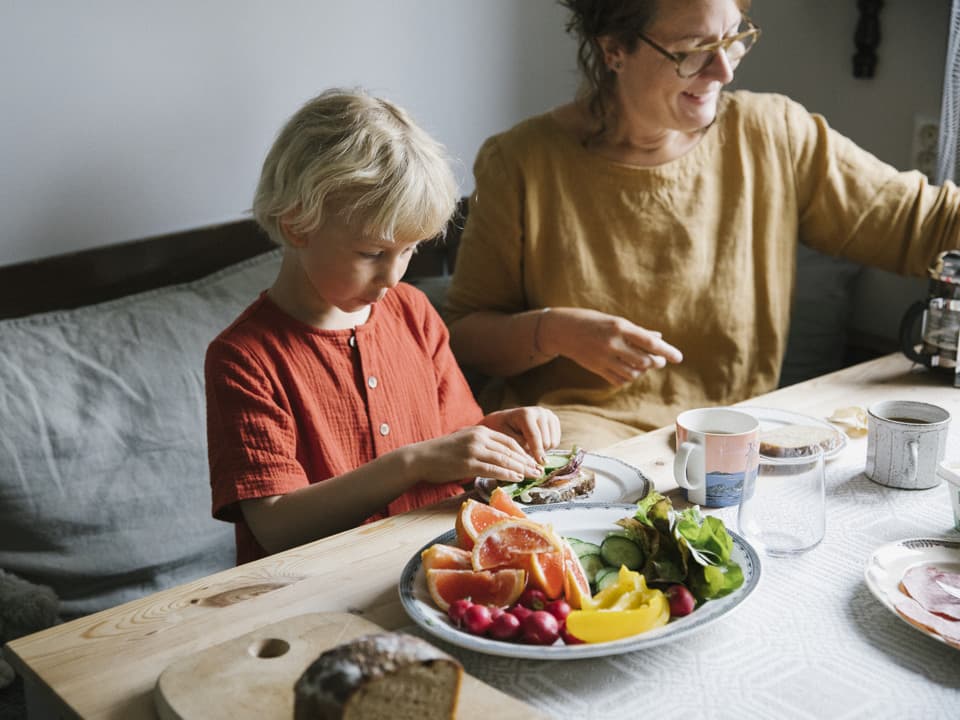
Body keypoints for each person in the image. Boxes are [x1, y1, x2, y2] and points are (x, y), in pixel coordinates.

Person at [444, 0, 960, 449]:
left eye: (734, 39)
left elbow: (929, 225)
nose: (724, 71)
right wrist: (553, 330)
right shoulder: (521, 161)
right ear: (614, 50)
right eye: (692, 49)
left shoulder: (774, 133)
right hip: (580, 438)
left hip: (736, 435)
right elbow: (464, 338)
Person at [205, 88, 560, 564]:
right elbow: (275, 527)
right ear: (297, 225)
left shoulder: (413, 311)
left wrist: (500, 435)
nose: (394, 276)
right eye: (372, 253)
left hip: (430, 568)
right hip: (308, 591)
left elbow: (454, 440)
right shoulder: (244, 358)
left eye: (410, 250)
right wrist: (410, 463)